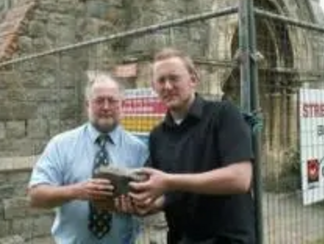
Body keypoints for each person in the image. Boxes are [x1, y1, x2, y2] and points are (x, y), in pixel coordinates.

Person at [128, 48, 255, 244]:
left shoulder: (224, 115)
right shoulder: (158, 136)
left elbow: (240, 178)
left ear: (193, 80)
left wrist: (169, 182)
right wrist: (144, 205)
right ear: (154, 87)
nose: (167, 86)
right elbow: (168, 194)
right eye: (161, 81)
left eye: (174, 78)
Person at [27, 73, 149, 244]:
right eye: (99, 100)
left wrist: (137, 206)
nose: (106, 107)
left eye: (112, 100)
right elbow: (35, 196)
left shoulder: (139, 149)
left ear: (122, 105)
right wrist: (77, 191)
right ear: (87, 105)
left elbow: (151, 200)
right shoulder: (61, 145)